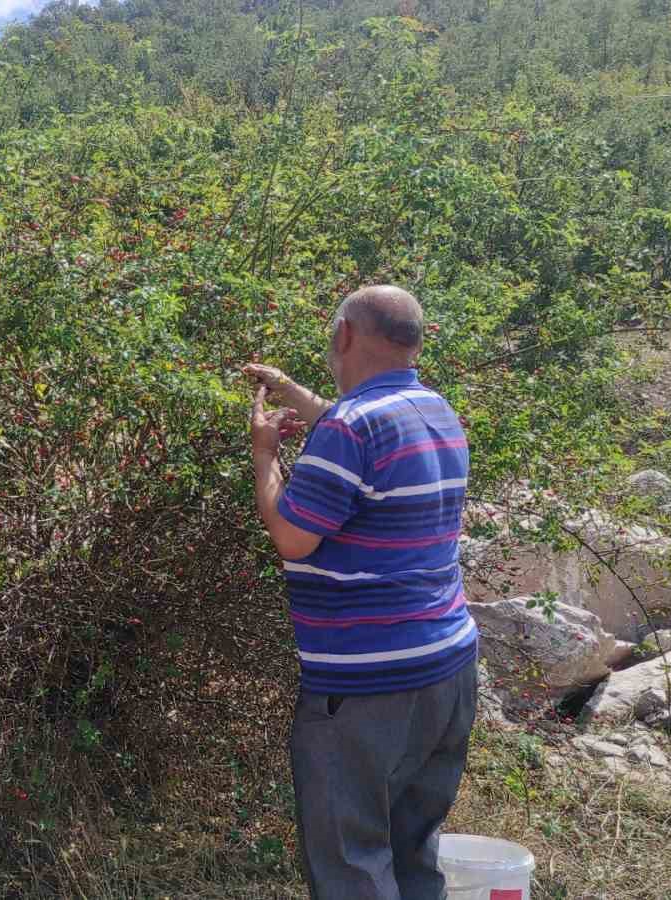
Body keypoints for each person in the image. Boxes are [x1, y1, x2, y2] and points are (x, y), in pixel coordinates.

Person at [245, 285, 477, 900]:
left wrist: (264, 454)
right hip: (447, 671)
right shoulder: (433, 409)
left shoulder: (350, 428)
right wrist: (296, 393)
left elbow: (293, 539)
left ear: (345, 334)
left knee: (351, 864)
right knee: (411, 851)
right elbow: (362, 432)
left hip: (369, 687)